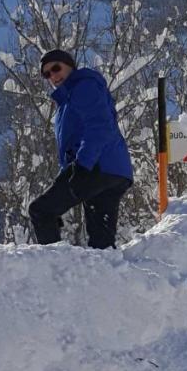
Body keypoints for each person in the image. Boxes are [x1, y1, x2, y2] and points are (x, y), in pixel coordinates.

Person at [28, 49, 134, 248]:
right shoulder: (67, 101)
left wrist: (82, 166)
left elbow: (99, 126)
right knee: (101, 243)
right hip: (113, 170)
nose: (53, 76)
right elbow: (72, 147)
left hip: (96, 166)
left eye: (56, 68)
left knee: (41, 211)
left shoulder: (83, 86)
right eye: (47, 74)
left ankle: (54, 270)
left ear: (70, 66)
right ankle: (110, 278)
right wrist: (65, 176)